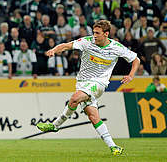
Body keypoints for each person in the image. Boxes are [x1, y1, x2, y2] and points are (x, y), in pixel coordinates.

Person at [36, 20, 140, 155]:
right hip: (82, 82)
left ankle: (55, 125)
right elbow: (67, 46)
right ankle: (114, 146)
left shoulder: (116, 47)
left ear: (106, 34)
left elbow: (136, 60)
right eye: (93, 32)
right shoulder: (87, 41)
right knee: (93, 117)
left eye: (97, 33)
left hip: (99, 83)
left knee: (74, 98)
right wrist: (54, 50)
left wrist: (131, 75)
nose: (94, 36)